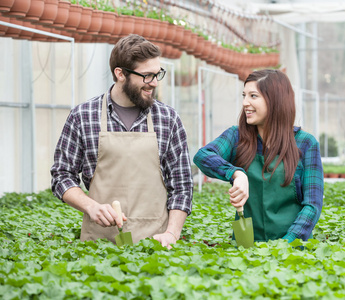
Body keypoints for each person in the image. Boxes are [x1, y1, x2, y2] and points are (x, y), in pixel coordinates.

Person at [51, 34, 193, 249]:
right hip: (98, 246)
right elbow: (62, 175)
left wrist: (172, 234)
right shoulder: (83, 116)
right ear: (120, 74)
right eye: (146, 76)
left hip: (156, 245)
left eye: (157, 74)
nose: (154, 83)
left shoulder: (168, 119)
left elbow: (181, 186)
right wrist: (90, 206)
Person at [193, 69, 323, 243]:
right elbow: (203, 156)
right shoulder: (236, 137)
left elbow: (312, 205)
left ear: (275, 100)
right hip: (246, 248)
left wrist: (287, 244)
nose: (245, 102)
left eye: (253, 96)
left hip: (292, 253)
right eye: (244, 95)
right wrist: (236, 173)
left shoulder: (305, 143)